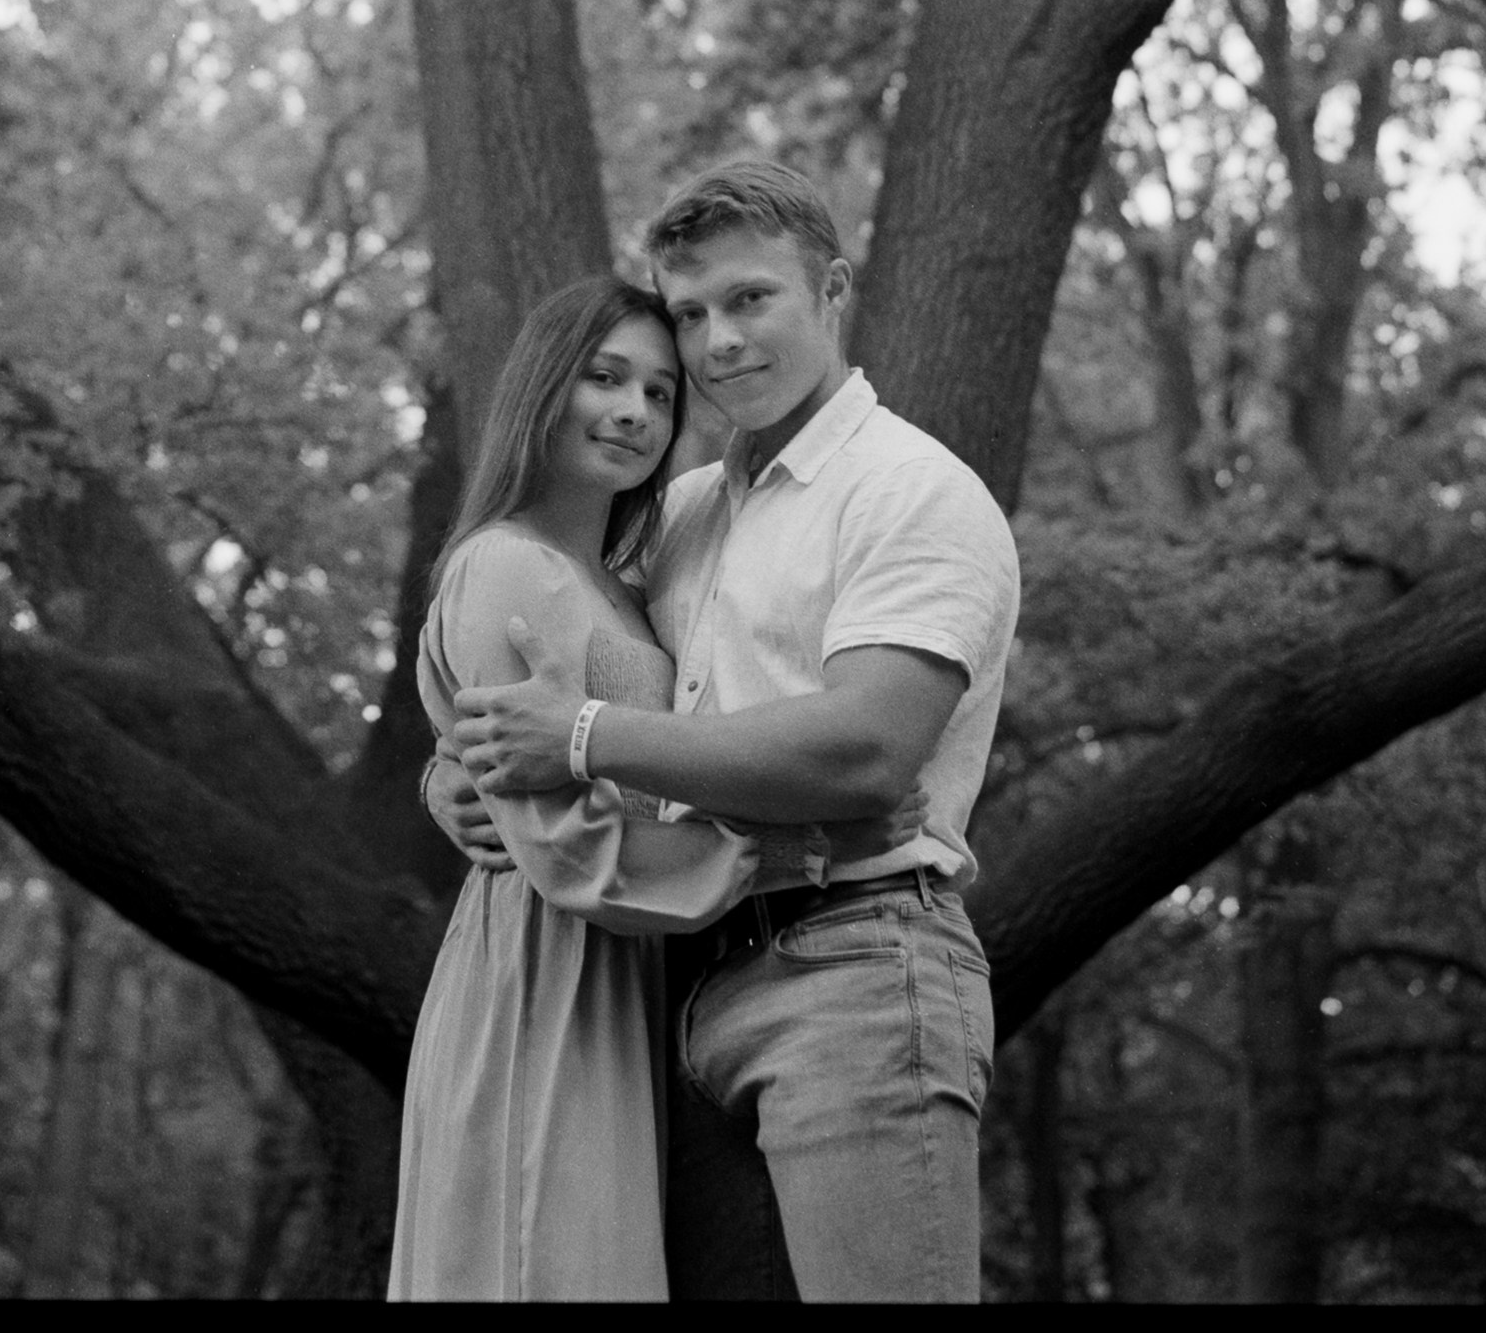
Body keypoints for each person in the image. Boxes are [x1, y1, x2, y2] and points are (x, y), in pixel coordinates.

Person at [437, 160, 1023, 1303]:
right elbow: (539, 669)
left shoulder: (911, 490)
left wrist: (583, 736)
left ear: (832, 289)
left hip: (855, 969)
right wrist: (458, 777)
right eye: (692, 312)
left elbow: (865, 750)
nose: (718, 341)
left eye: (751, 298)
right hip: (671, 986)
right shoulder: (683, 510)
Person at [387, 270, 917, 1302]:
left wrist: (447, 770)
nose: (633, 410)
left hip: (641, 971)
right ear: (543, 387)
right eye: (604, 378)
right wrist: (796, 846)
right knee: (542, 1262)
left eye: (660, 392)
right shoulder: (504, 566)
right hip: (546, 971)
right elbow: (569, 847)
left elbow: (526, 750)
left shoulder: (627, 582)